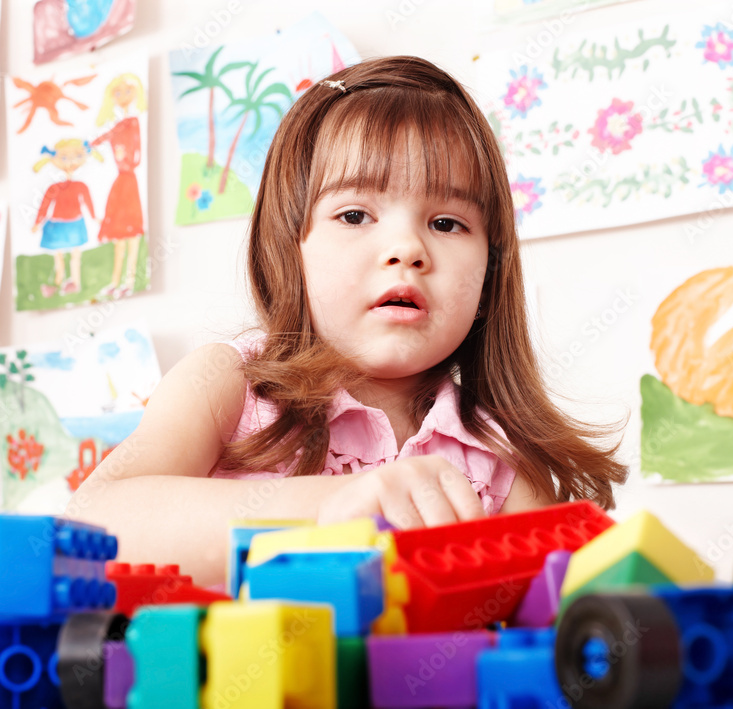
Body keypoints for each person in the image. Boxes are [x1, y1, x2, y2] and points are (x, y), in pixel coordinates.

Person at [68, 56, 627, 588]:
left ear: (488, 274)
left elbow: (548, 629)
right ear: (293, 251)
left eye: (448, 222)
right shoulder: (230, 386)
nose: (407, 248)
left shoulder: (500, 461)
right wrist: (329, 506)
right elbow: (85, 528)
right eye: (355, 215)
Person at [91, 72, 147, 298]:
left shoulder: (132, 122)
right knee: (119, 239)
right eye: (117, 92)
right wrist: (92, 146)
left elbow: (137, 153)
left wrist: (127, 158)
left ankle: (130, 280)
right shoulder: (118, 126)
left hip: (129, 181)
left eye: (127, 91)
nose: (123, 96)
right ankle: (115, 281)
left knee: (132, 235)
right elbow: (103, 137)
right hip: (121, 182)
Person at [31, 138, 102, 297]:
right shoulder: (54, 187)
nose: (70, 162)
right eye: (64, 158)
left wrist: (95, 217)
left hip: (75, 223)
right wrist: (37, 223)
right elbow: (45, 205)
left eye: (76, 156)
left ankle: (75, 282)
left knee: (75, 255)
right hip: (57, 225)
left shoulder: (80, 186)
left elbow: (88, 202)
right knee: (59, 256)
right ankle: (58, 282)